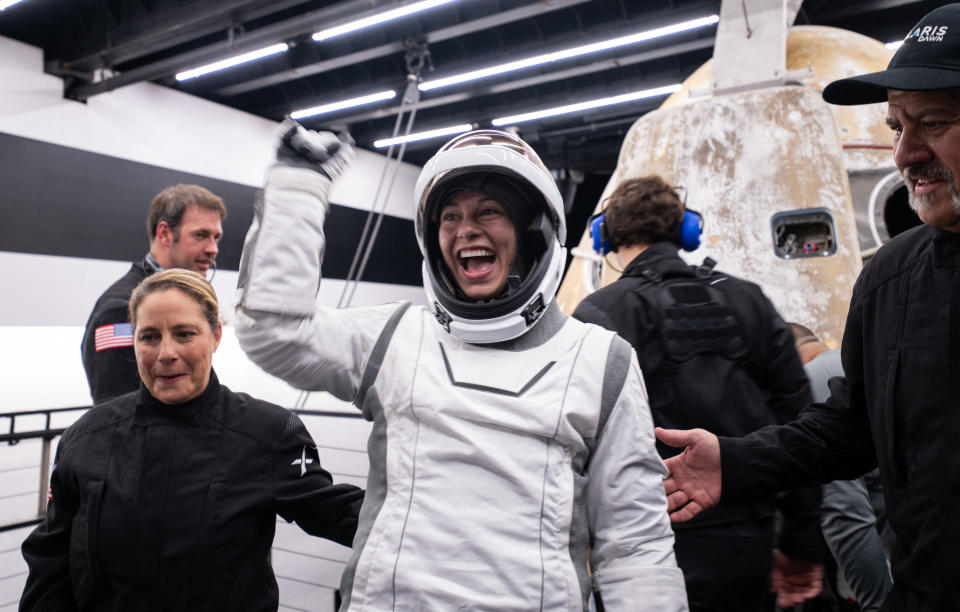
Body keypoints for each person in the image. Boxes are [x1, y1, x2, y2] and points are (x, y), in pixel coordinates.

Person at [234, 123, 688, 610]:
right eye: (450, 216)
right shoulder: (396, 338)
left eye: (489, 211)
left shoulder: (601, 361)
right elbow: (275, 332)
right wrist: (299, 184)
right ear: (434, 240)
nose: (466, 229)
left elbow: (636, 548)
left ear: (532, 230)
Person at [657, 4, 960, 609]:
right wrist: (736, 460)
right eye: (897, 127)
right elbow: (852, 426)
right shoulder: (892, 278)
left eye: (930, 122)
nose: (905, 154)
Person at [21, 269, 364, 611]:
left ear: (216, 335)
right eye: (150, 337)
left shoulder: (267, 434)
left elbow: (338, 514)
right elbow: (51, 562)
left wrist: (415, 515)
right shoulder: (85, 440)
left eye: (184, 334)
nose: (166, 353)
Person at [571, 176, 821, 611]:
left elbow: (580, 445)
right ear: (685, 231)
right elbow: (801, 425)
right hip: (752, 542)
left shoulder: (599, 313)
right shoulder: (749, 300)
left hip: (650, 550)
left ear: (604, 237)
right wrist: (800, 543)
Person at [81, 184, 227, 404]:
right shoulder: (118, 310)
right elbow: (117, 415)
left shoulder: (189, 299)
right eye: (201, 235)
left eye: (216, 238)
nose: (213, 249)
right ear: (165, 234)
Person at [789, 323, 892, 612]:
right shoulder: (862, 363)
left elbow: (846, 514)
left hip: (876, 582)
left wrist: (877, 605)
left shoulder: (808, 384)